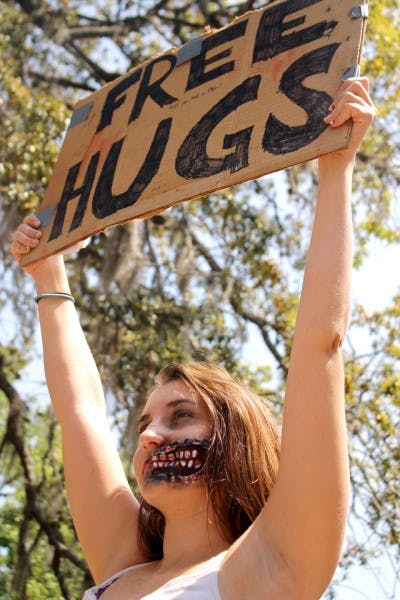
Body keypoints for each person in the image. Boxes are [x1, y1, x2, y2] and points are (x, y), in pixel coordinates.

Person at [11, 77, 376, 599]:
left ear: (236, 439)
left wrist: (336, 162)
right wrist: (49, 275)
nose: (148, 436)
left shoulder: (273, 566)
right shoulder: (119, 566)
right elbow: (81, 412)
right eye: (146, 422)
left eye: (180, 415)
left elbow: (321, 346)